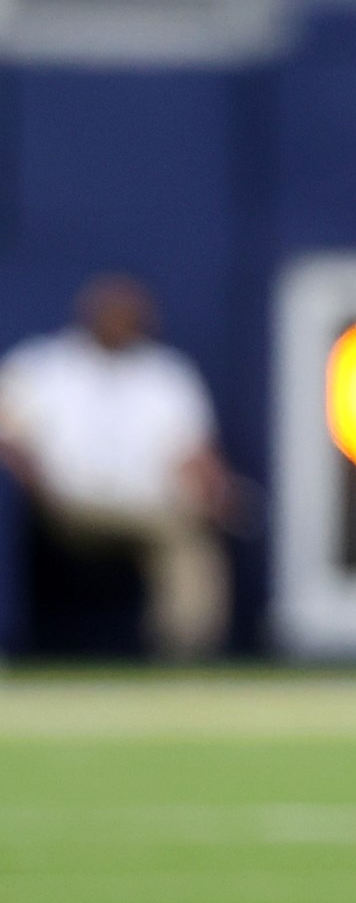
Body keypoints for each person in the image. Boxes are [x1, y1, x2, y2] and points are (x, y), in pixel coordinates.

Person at [0, 275, 230, 661]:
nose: (119, 320)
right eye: (111, 312)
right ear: (88, 314)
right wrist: (32, 480)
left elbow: (194, 453)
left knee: (187, 533)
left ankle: (184, 654)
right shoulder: (42, 365)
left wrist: (216, 491)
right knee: (172, 526)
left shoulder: (166, 374)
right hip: (67, 505)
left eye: (129, 314)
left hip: (149, 506)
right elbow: (8, 433)